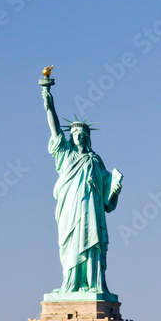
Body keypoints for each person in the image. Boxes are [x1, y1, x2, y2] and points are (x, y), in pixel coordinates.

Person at [42, 85, 122, 295]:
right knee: (70, 245)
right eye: (74, 134)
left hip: (91, 211)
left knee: (92, 243)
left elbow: (107, 195)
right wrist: (49, 104)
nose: (77, 137)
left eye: (81, 134)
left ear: (87, 137)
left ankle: (93, 284)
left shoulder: (95, 160)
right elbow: (55, 129)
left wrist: (114, 188)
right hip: (70, 209)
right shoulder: (65, 155)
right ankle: (71, 284)